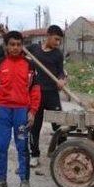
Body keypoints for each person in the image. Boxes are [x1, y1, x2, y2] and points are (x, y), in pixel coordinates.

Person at [0, 30, 41, 187]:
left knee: (22, 147)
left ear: (22, 46)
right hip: (2, 111)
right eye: (12, 44)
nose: (15, 48)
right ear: (6, 46)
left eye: (18, 44)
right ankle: (1, 179)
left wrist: (32, 112)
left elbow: (35, 90)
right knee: (0, 146)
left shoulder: (30, 65)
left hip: (21, 113)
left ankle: (24, 181)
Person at [27, 25, 66, 167]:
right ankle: (34, 155)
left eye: (59, 40)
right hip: (35, 94)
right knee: (34, 126)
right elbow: (18, 52)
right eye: (56, 39)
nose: (57, 43)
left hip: (52, 94)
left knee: (59, 126)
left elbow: (61, 72)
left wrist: (62, 79)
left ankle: (63, 154)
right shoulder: (33, 49)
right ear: (48, 35)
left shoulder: (57, 54)